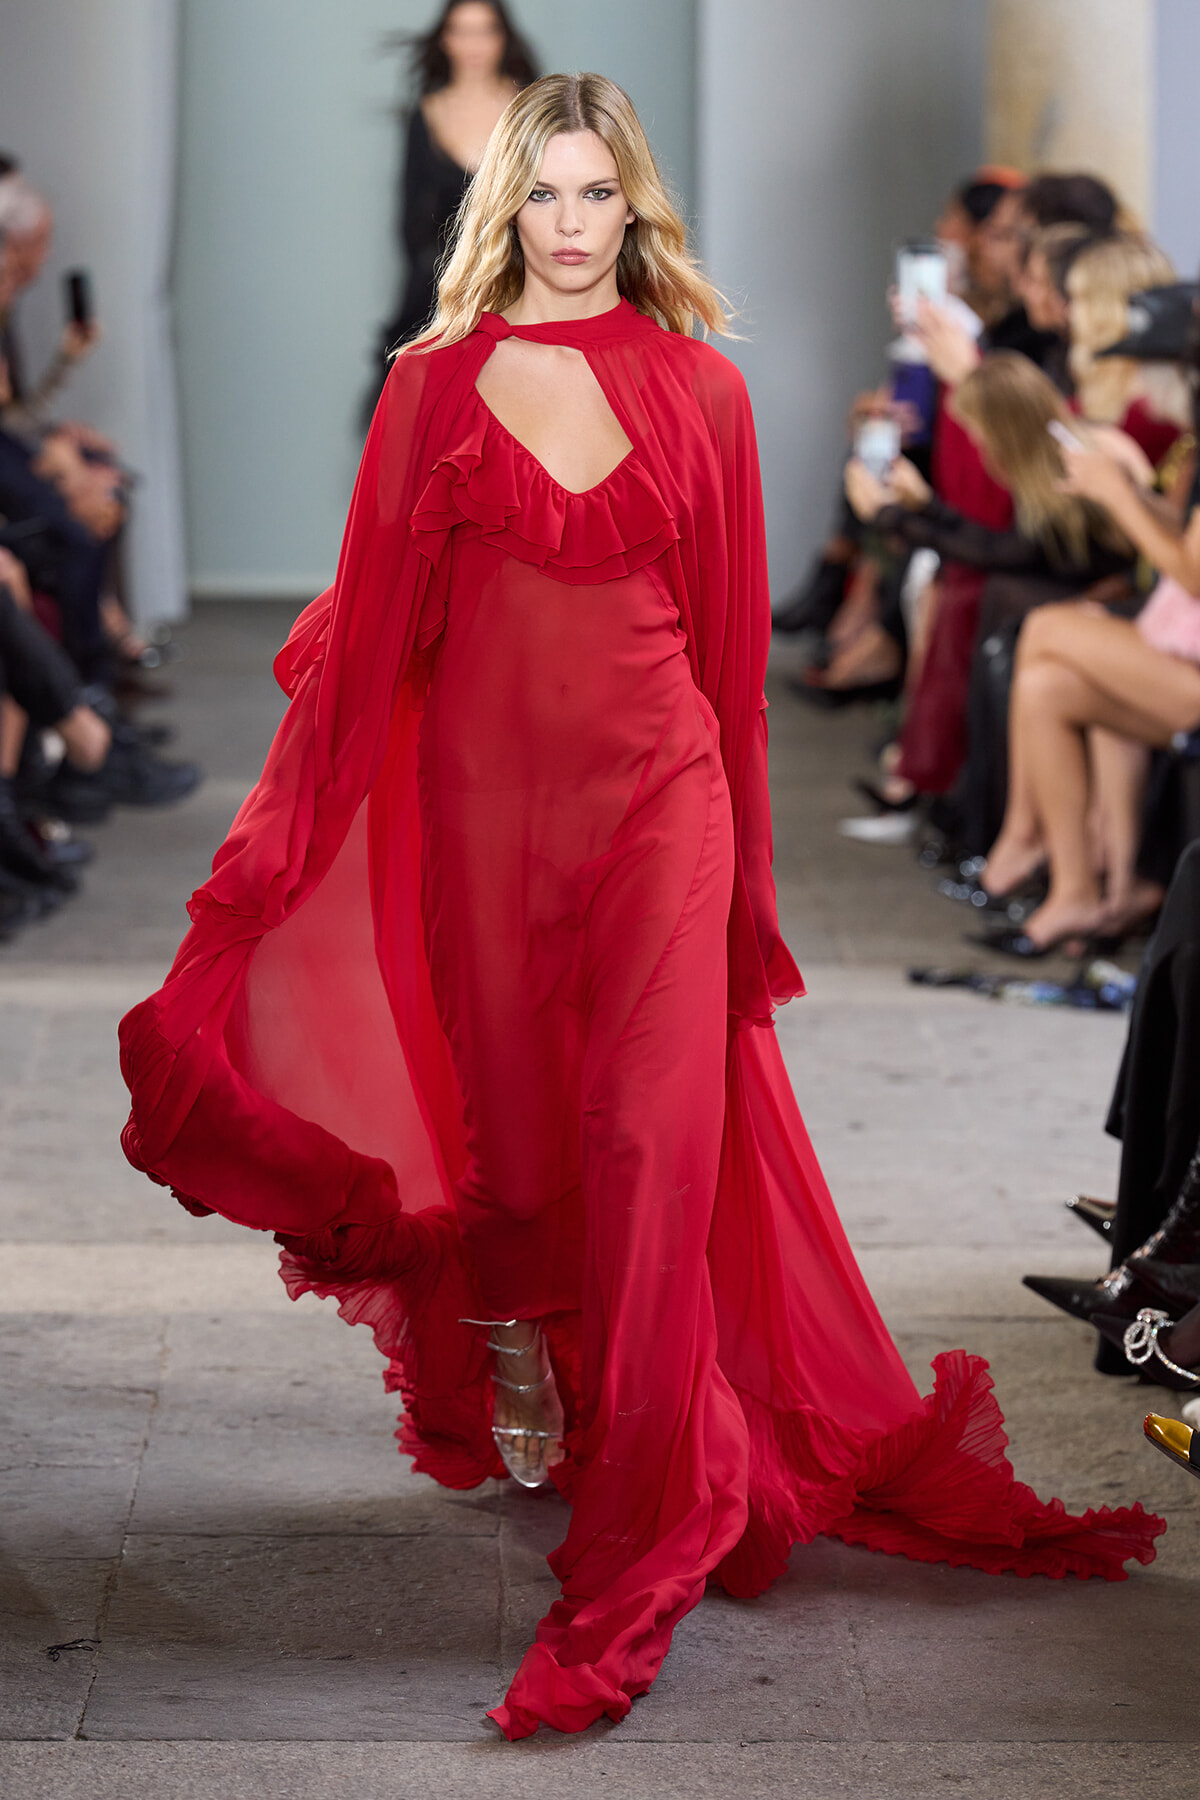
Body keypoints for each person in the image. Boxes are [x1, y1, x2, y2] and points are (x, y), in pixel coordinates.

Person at [118, 75, 1162, 1741]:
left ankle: (660, 1501)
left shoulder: (700, 393)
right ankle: (524, 1349)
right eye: (545, 195)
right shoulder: (436, 393)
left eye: (600, 194)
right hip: (482, 816)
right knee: (520, 1133)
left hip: (662, 802)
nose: (574, 223)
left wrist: (747, 877)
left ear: (637, 207)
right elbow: (376, 627)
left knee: (657, 1136)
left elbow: (737, 668)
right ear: (508, 212)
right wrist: (272, 861)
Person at [368, 0, 537, 405]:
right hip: (440, 292)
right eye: (462, 30)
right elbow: (409, 218)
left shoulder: (531, 109)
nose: (474, 44)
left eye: (485, 30)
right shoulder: (426, 114)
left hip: (521, 285)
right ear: (445, 40)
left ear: (503, 37)